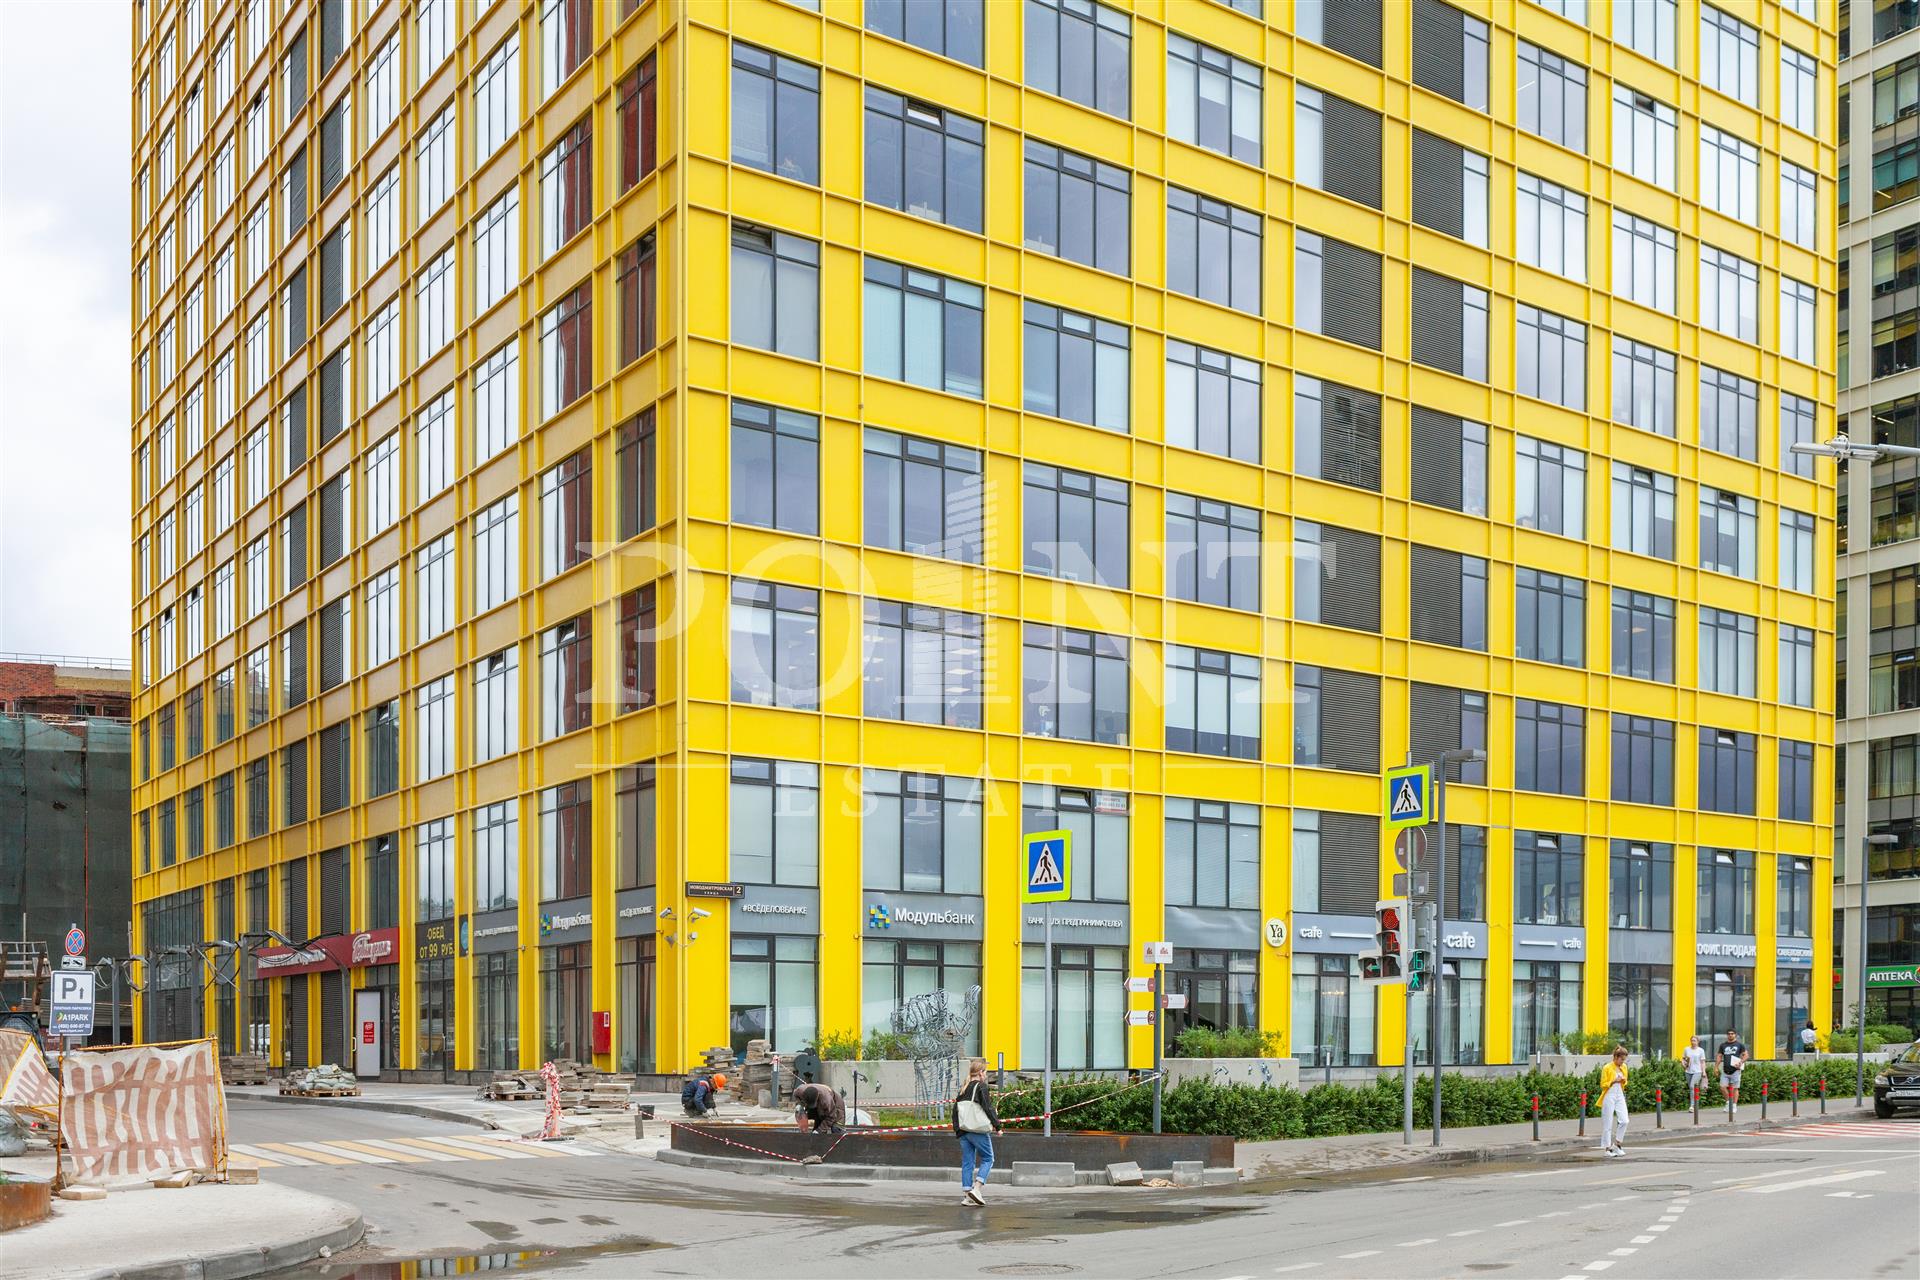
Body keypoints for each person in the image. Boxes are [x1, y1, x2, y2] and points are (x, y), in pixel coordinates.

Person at [952, 1058, 1000, 1205]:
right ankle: (977, 1189)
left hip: (963, 1130)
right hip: (977, 1129)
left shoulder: (964, 1087)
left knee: (968, 1162)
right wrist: (997, 1126)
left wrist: (958, 1130)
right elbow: (987, 1107)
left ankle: (967, 1196)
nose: (986, 1075)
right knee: (988, 1158)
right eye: (985, 1072)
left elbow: (955, 1111)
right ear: (980, 1073)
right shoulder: (981, 1086)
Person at [1598, 1046, 1630, 1157]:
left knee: (1624, 1120)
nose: (1623, 1062)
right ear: (1616, 1057)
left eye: (1624, 1059)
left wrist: (1623, 1081)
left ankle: (1617, 1144)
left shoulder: (1624, 1067)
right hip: (1609, 1095)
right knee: (1608, 1122)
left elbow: (1625, 1082)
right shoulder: (1607, 1067)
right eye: (1621, 1059)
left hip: (1619, 1094)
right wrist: (1613, 1081)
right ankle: (1607, 1149)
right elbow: (1603, 1084)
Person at [1718, 1028, 1749, 1114]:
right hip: (1725, 1070)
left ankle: (1734, 1106)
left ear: (1735, 1035)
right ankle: (1729, 1103)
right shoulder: (1723, 1045)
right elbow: (1719, 1056)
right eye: (1729, 1034)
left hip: (1736, 1070)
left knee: (1735, 1088)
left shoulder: (1740, 1045)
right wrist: (1716, 1067)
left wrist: (1741, 1062)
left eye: (1732, 1033)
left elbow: (1746, 1055)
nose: (1730, 1035)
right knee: (1722, 1087)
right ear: (1727, 1035)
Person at [1682, 1035, 1707, 1108]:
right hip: (1688, 1071)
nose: (1693, 1042)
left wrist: (1704, 1072)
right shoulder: (1686, 1049)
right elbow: (1683, 1059)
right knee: (1691, 1088)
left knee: (1692, 1086)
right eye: (1692, 1040)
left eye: (1694, 1041)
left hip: (1697, 1071)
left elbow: (1702, 1062)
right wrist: (1683, 1064)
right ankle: (1696, 1103)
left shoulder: (1701, 1050)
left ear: (1698, 1042)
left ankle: (1692, 1105)